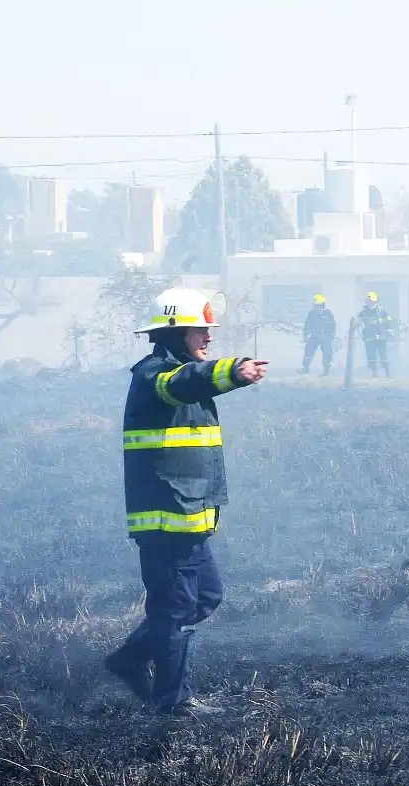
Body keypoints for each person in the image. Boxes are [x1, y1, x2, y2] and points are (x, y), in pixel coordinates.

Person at [104, 287, 269, 715]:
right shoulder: (154, 375)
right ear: (174, 333)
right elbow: (184, 383)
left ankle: (130, 658)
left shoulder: (177, 376)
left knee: (205, 598)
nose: (208, 337)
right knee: (175, 609)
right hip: (166, 520)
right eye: (200, 330)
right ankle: (172, 702)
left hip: (191, 514)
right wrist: (234, 371)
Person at [299, 293, 337, 376]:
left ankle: (326, 371)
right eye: (315, 305)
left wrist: (331, 335)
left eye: (319, 305)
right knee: (308, 352)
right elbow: (307, 325)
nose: (317, 307)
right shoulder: (311, 313)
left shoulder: (328, 313)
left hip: (325, 336)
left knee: (327, 353)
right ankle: (305, 368)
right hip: (314, 335)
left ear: (323, 305)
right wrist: (305, 335)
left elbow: (333, 325)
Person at [357, 291, 393, 377]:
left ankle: (388, 373)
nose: (368, 302)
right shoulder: (363, 312)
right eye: (368, 300)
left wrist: (388, 330)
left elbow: (388, 320)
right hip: (369, 336)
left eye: (370, 301)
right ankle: (374, 373)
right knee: (371, 356)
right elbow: (358, 322)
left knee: (383, 354)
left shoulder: (381, 310)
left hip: (381, 336)